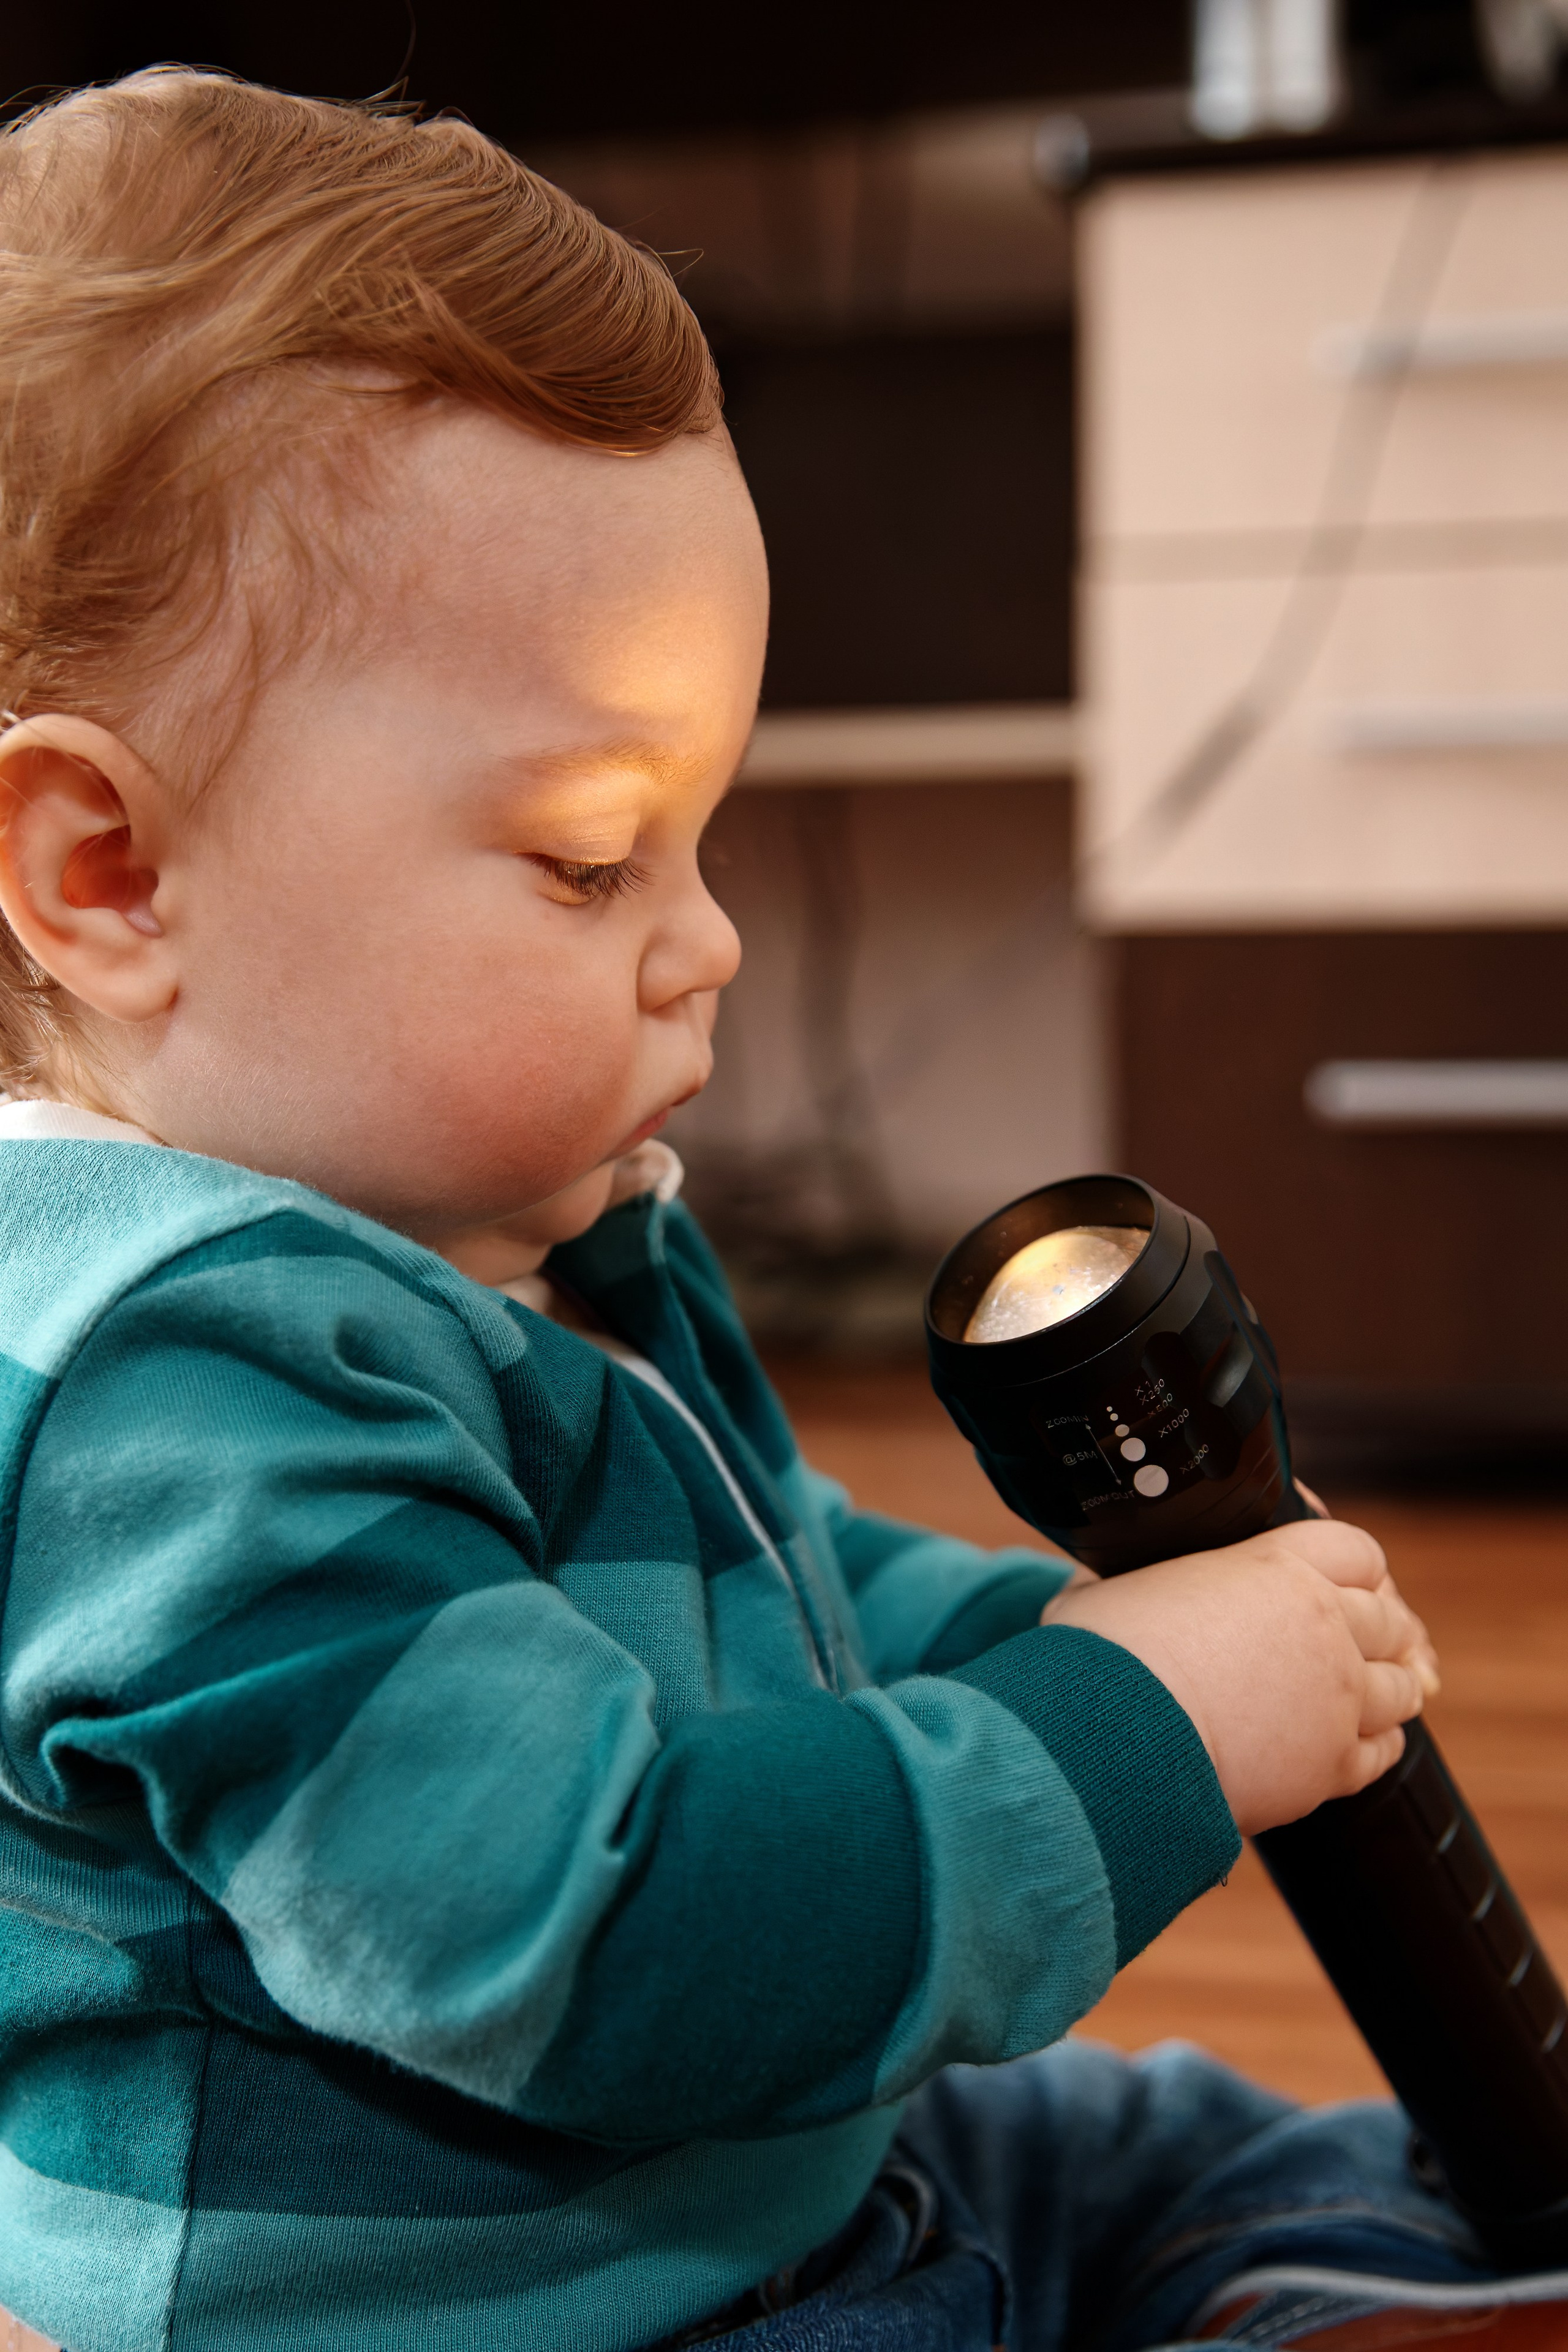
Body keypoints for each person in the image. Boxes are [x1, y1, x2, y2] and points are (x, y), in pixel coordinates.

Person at [0, 67, 1495, 2352]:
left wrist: (1036, 1642)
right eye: (592, 855)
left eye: (707, 838)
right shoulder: (189, 1406)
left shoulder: (472, 1237)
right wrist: (1144, 1734)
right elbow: (601, 1950)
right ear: (109, 874)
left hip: (728, 2183)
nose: (704, 943)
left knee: (1177, 2134)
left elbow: (752, 1570)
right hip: (541, 2305)